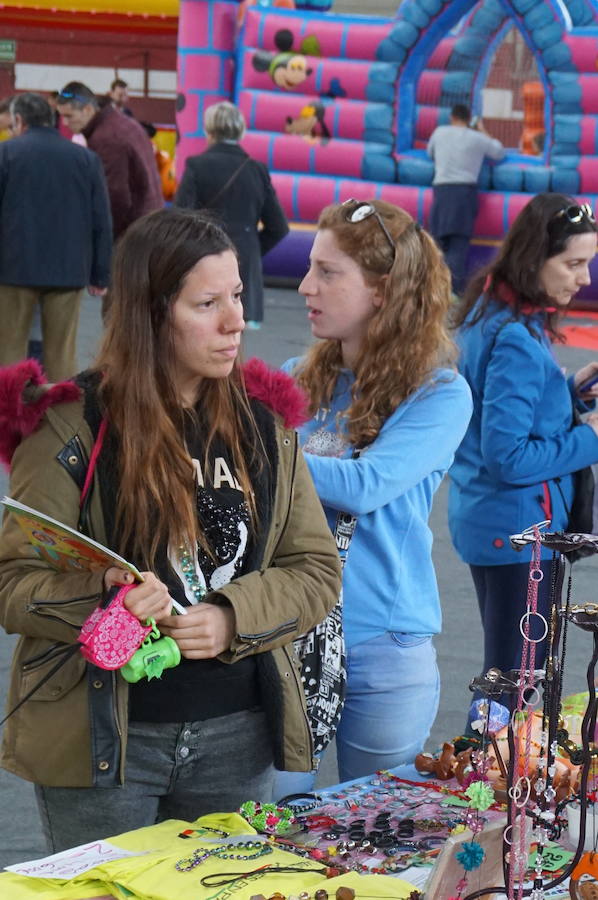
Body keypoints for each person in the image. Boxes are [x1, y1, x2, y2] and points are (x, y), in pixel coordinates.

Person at [0, 207, 341, 852]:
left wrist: (232, 617)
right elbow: (13, 579)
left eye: (237, 295)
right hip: (102, 745)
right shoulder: (73, 425)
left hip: (236, 738)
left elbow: (316, 569)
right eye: (207, 302)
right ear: (153, 313)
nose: (236, 320)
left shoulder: (264, 425)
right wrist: (104, 596)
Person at [273, 198, 472, 794]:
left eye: (328, 272)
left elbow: (367, 486)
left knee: (374, 835)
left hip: (383, 648)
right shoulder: (294, 376)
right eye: (310, 266)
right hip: (286, 631)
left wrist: (256, 451)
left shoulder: (440, 393)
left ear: (382, 292)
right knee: (272, 831)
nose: (306, 285)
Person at [449, 192, 598, 717]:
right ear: (536, 260)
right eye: (574, 263)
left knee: (510, 673)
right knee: (513, 680)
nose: (583, 278)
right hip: (519, 532)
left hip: (496, 522)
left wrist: (568, 391)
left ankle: (487, 780)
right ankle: (486, 787)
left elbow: (506, 404)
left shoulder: (498, 312)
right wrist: (591, 436)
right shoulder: (514, 333)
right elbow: (508, 456)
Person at [0, 92, 112, 381]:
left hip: (13, 270)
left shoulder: (6, 153)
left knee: (9, 353)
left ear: (19, 120)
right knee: (61, 356)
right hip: (68, 271)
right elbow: (101, 219)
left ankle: (9, 420)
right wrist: (100, 274)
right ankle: (61, 421)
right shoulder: (87, 159)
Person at [175, 101, 289, 329]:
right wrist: (252, 249)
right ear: (241, 131)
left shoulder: (197, 166)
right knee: (237, 339)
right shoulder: (256, 169)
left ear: (209, 130)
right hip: (244, 266)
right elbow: (279, 227)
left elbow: (179, 219)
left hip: (203, 259)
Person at [56, 81, 162, 240]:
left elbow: (115, 197)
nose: (65, 122)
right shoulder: (120, 122)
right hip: (149, 221)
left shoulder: (106, 139)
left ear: (88, 109)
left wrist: (103, 240)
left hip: (132, 233)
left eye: (69, 116)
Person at [427, 104, 505, 295]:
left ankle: (433, 290)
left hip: (442, 191)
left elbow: (430, 153)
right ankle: (452, 293)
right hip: (464, 193)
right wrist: (481, 129)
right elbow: (499, 152)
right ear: (469, 118)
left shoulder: (439, 132)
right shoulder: (477, 138)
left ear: (452, 116)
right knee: (458, 246)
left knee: (437, 242)